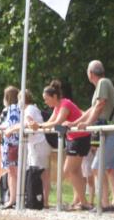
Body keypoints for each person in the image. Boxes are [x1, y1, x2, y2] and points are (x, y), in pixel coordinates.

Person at [34, 80, 90, 211]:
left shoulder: (65, 104)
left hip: (80, 138)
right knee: (75, 171)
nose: (45, 102)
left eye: (46, 99)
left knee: (68, 170)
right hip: (73, 139)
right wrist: (39, 126)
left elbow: (57, 122)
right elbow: (51, 121)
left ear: (54, 97)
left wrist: (39, 126)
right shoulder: (57, 107)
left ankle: (83, 202)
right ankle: (82, 201)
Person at [75, 61, 114, 212]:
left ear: (90, 74)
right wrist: (76, 122)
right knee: (111, 169)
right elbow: (93, 108)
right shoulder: (104, 83)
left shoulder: (102, 83)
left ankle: (104, 204)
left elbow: (100, 105)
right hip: (111, 132)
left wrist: (87, 123)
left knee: (96, 167)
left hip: (111, 133)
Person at [0, 86, 21, 209]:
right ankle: (15, 198)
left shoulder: (10, 109)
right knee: (14, 172)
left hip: (10, 143)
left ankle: (12, 199)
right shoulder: (19, 109)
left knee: (12, 172)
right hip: (15, 143)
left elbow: (4, 124)